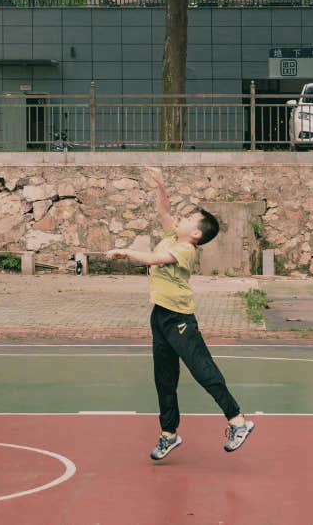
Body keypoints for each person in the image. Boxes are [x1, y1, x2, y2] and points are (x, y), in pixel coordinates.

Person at [106, 168, 255, 460]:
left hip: (180, 321)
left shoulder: (186, 249)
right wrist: (161, 185)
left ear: (196, 233)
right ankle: (169, 434)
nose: (181, 219)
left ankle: (238, 421)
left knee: (202, 370)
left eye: (188, 219)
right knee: (164, 378)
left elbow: (153, 259)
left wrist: (125, 252)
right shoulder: (173, 235)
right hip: (160, 316)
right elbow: (164, 211)